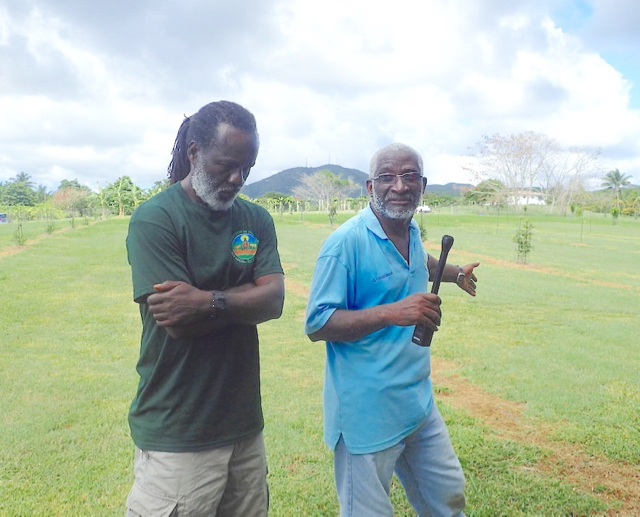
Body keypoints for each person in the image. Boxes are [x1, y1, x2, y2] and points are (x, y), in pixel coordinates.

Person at [125, 101, 285, 516]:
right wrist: (244, 296)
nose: (236, 179)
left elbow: (274, 300)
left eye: (246, 168)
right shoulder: (156, 219)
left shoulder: (255, 219)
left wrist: (207, 300)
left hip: (244, 427)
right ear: (194, 152)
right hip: (179, 429)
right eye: (225, 165)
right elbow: (178, 323)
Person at [304, 143, 479, 516]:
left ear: (423, 185)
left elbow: (422, 263)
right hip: (366, 413)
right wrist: (392, 312)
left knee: (448, 500)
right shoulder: (345, 244)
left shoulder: (410, 230)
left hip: (416, 402)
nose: (399, 186)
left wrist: (456, 273)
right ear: (370, 187)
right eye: (387, 177)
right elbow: (317, 324)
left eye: (409, 176)